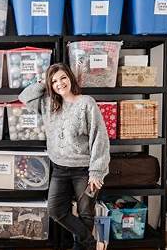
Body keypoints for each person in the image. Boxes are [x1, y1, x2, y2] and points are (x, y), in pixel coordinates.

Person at [19, 63, 110, 250]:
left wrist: (97, 172)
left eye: (63, 78)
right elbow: (24, 97)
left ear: (70, 78)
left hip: (84, 170)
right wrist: (43, 82)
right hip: (59, 169)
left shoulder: (86, 102)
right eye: (54, 81)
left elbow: (99, 137)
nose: (59, 83)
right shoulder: (47, 103)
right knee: (55, 210)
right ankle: (94, 245)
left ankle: (82, 248)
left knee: (86, 213)